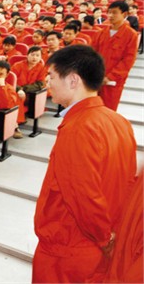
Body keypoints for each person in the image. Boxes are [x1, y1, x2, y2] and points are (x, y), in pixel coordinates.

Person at [33, 45, 137, 283]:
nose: (48, 83)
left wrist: (103, 238)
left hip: (69, 248)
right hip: (97, 243)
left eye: (51, 77)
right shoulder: (119, 122)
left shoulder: (78, 128)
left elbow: (83, 196)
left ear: (73, 80)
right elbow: (128, 182)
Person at [92, 0, 138, 111]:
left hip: (113, 81)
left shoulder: (131, 35)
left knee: (108, 110)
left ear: (125, 14)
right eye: (109, 12)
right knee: (92, 109)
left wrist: (110, 77)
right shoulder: (101, 33)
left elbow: (128, 60)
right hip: (96, 78)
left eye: (114, 12)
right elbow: (92, 55)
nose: (110, 15)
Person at [11, 46, 47, 136]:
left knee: (15, 98)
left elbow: (40, 84)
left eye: (37, 55)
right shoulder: (17, 65)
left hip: (31, 95)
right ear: (27, 55)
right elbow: (11, 80)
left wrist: (23, 89)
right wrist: (19, 89)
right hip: (15, 91)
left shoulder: (42, 68)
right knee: (13, 97)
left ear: (40, 57)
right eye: (32, 54)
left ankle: (15, 126)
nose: (35, 57)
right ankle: (13, 125)